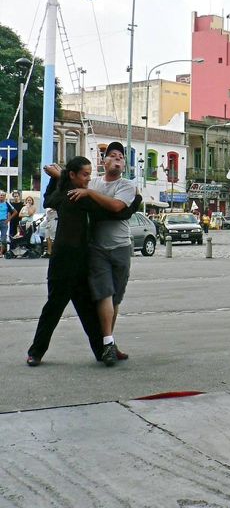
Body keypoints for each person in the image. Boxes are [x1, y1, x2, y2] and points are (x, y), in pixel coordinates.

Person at [26, 157, 142, 367]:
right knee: (53, 308)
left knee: (88, 311)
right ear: (73, 175)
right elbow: (114, 212)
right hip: (62, 264)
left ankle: (103, 351)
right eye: (85, 175)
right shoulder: (72, 197)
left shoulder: (78, 195)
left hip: (81, 263)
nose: (89, 180)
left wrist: (58, 178)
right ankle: (35, 352)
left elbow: (49, 199)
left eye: (90, 174)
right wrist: (135, 203)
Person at [71, 142, 138, 367]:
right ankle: (108, 342)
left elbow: (117, 206)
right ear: (104, 161)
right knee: (104, 294)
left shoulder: (127, 186)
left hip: (120, 247)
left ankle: (108, 343)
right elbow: (74, 180)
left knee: (115, 297)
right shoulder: (95, 182)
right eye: (113, 155)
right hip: (98, 248)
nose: (118, 159)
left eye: (121, 157)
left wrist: (89, 193)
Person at [0, 190, 17, 256]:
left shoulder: (7, 203)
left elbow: (15, 212)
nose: (1, 196)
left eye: (2, 195)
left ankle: (1, 253)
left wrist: (8, 219)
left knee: (3, 238)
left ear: (5, 197)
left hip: (3, 222)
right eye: (0, 195)